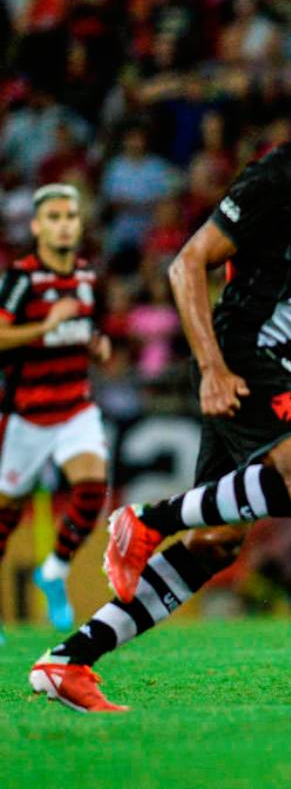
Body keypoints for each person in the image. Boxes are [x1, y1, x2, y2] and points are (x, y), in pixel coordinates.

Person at [29, 44, 291, 712]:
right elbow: (186, 265)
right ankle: (144, 519)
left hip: (275, 363)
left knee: (218, 540)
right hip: (245, 354)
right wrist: (215, 368)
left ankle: (68, 661)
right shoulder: (280, 175)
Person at [0, 184, 112, 636]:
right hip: (27, 414)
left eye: (70, 216)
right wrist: (45, 325)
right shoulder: (22, 278)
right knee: (7, 513)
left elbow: (85, 331)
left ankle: (56, 569)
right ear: (37, 227)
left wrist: (97, 344)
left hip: (76, 406)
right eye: (54, 217)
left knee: (92, 489)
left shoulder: (86, 277)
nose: (64, 224)